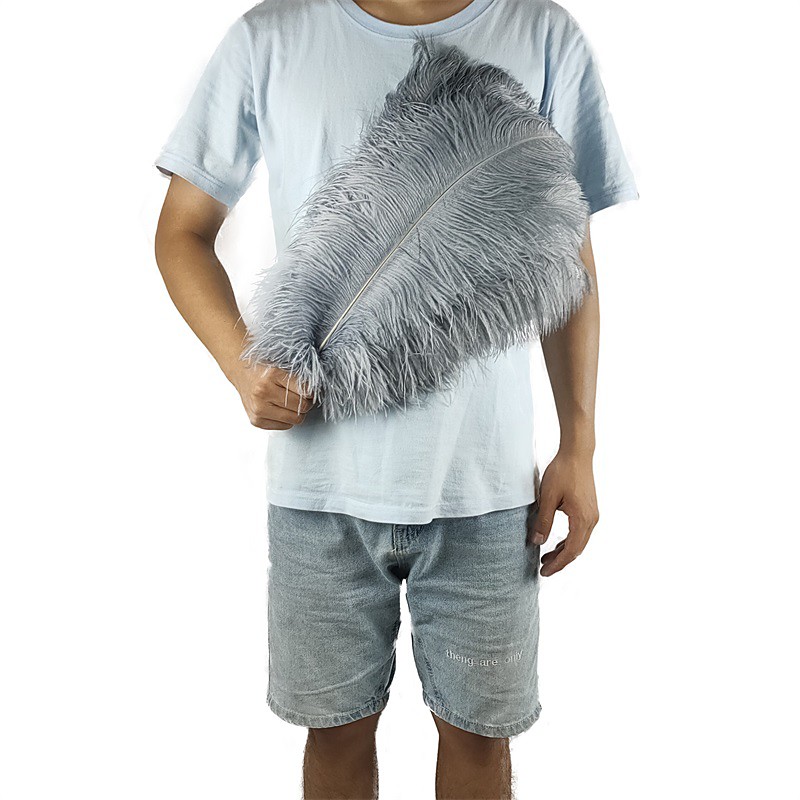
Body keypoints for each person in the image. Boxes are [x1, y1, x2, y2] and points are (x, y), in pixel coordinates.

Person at [153, 0, 638, 796]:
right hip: (318, 491)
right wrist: (243, 365)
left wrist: (578, 443)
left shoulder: (540, 33)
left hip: (487, 491)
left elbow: (567, 262)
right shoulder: (271, 37)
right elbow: (182, 230)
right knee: (335, 733)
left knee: (479, 742)